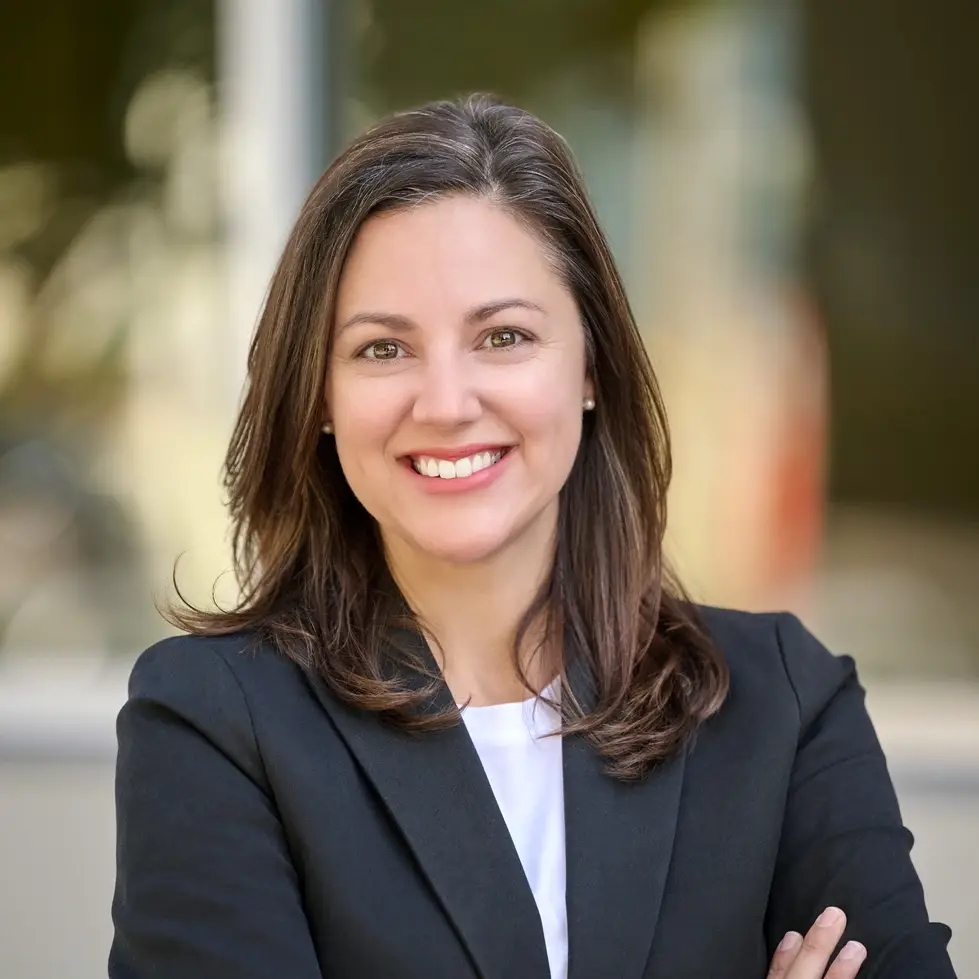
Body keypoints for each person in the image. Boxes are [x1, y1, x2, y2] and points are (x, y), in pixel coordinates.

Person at [108, 95, 957, 979]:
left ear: (590, 367)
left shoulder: (777, 703)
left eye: (502, 336)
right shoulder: (213, 722)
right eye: (381, 350)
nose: (444, 402)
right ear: (319, 395)